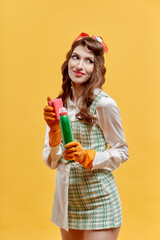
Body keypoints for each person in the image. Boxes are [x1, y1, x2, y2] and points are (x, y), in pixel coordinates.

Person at [43, 32, 129, 240]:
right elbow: (52, 162)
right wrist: (54, 133)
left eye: (88, 60)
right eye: (76, 57)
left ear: (95, 68)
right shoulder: (58, 104)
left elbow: (122, 151)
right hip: (68, 202)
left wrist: (89, 157)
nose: (80, 65)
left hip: (99, 200)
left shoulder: (104, 104)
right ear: (68, 61)